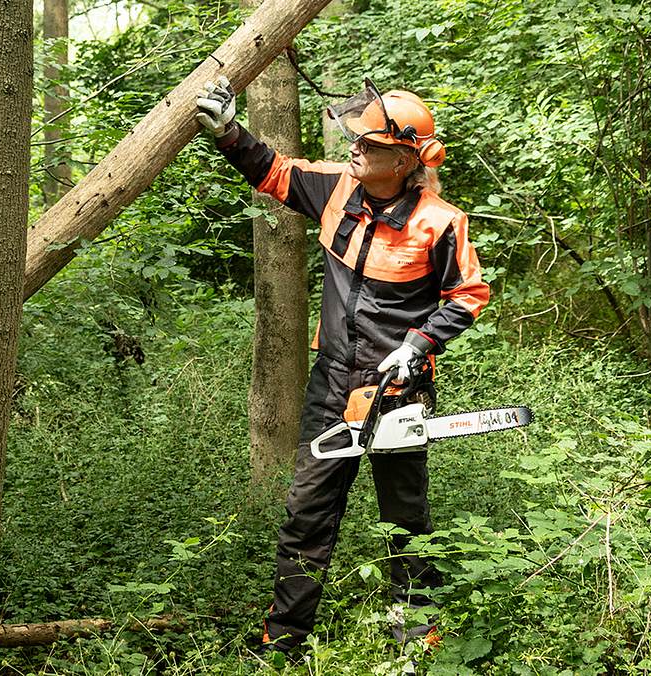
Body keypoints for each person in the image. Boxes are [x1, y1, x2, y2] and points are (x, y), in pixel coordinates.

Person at [195, 76, 490, 652]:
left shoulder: (440, 222)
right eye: (354, 139)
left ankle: (415, 638)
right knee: (307, 513)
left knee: (404, 519)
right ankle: (282, 641)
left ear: (405, 160)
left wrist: (418, 345)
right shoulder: (337, 188)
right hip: (332, 381)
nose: (353, 148)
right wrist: (229, 133)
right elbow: (275, 172)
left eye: (368, 144)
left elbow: (467, 295)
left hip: (399, 388)